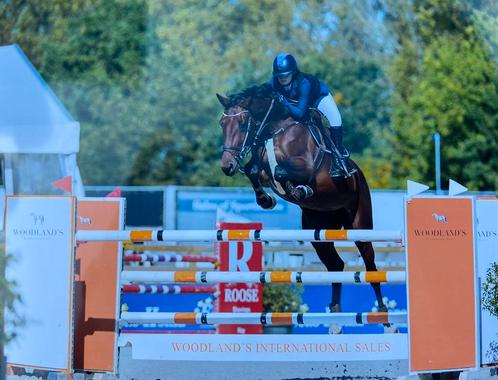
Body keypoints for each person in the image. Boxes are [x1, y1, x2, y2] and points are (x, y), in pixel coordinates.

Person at [268, 52, 355, 178]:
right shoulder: (274, 83)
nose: (282, 78)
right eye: (279, 75)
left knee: (336, 120)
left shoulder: (304, 83)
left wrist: (285, 103)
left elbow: (300, 113)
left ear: (293, 72)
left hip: (318, 98)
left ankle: (339, 159)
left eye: (286, 75)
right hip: (296, 103)